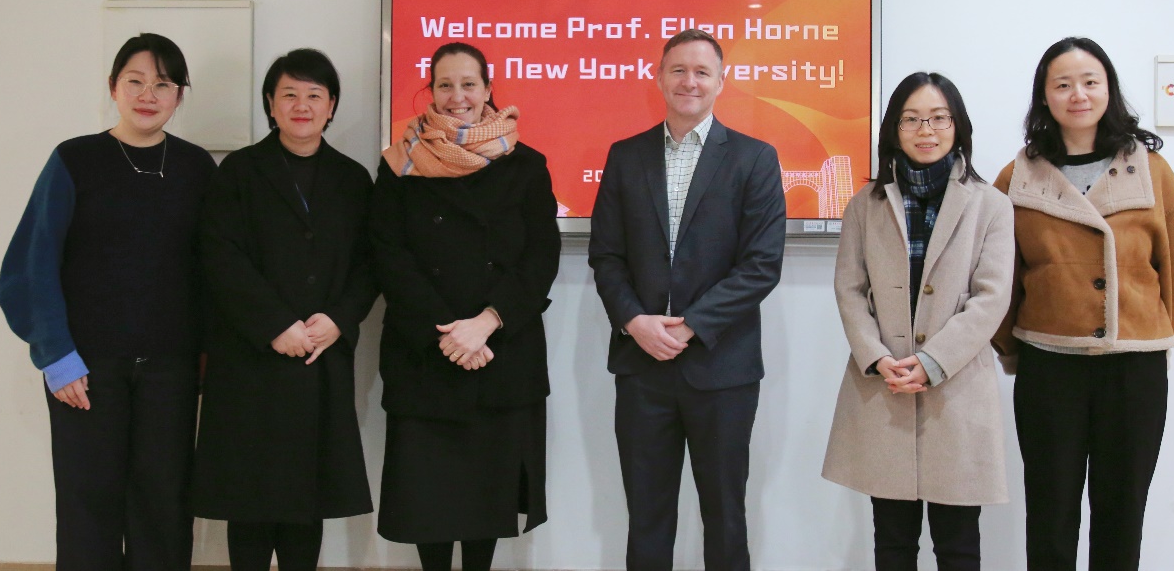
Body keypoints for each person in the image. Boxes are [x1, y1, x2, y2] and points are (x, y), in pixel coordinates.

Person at [0, 33, 216, 570]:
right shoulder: (75, 159)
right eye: (135, 81)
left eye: (163, 84)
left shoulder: (197, 168)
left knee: (164, 505)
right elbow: (31, 264)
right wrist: (56, 356)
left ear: (179, 95)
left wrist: (211, 355)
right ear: (113, 87)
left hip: (171, 369)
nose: (148, 95)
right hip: (85, 370)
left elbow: (214, 269)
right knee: (87, 506)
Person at [993, 37, 1174, 571]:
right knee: (1050, 516)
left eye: (1090, 82)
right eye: (1062, 84)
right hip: (1048, 364)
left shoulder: (1151, 169)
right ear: (1044, 96)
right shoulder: (1018, 176)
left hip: (1134, 368)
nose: (1077, 95)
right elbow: (998, 276)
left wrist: (1146, 327)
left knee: (1122, 515)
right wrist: (1010, 346)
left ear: (1109, 89)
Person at [588, 29, 786, 571]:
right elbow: (606, 255)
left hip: (722, 369)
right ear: (658, 78)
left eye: (702, 71)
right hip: (641, 366)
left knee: (725, 515)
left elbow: (761, 265)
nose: (689, 81)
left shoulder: (754, 158)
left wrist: (692, 324)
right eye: (678, 70)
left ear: (721, 81)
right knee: (647, 517)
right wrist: (634, 321)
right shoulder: (626, 156)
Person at [371, 42, 560, 571]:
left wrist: (487, 323)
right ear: (430, 91)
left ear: (488, 89)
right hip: (426, 354)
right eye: (445, 84)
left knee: (486, 503)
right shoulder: (399, 165)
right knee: (428, 506)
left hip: (501, 352)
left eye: (469, 84)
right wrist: (451, 335)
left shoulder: (527, 165)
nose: (458, 96)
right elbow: (388, 256)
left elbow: (540, 257)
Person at [191, 49, 377, 571]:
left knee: (306, 500)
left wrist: (338, 319)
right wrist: (274, 324)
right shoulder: (238, 172)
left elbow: (371, 263)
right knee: (248, 499)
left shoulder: (353, 178)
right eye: (289, 94)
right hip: (249, 359)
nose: (302, 105)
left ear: (331, 105)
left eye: (314, 95)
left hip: (320, 357)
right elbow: (220, 256)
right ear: (270, 104)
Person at [822, 72, 1014, 571]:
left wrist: (933, 361)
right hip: (883, 386)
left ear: (957, 126)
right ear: (894, 128)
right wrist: (876, 356)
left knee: (958, 545)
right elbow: (849, 289)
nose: (925, 130)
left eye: (938, 118)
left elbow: (991, 298)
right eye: (911, 119)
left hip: (957, 389)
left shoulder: (991, 204)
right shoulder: (865, 205)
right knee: (892, 543)